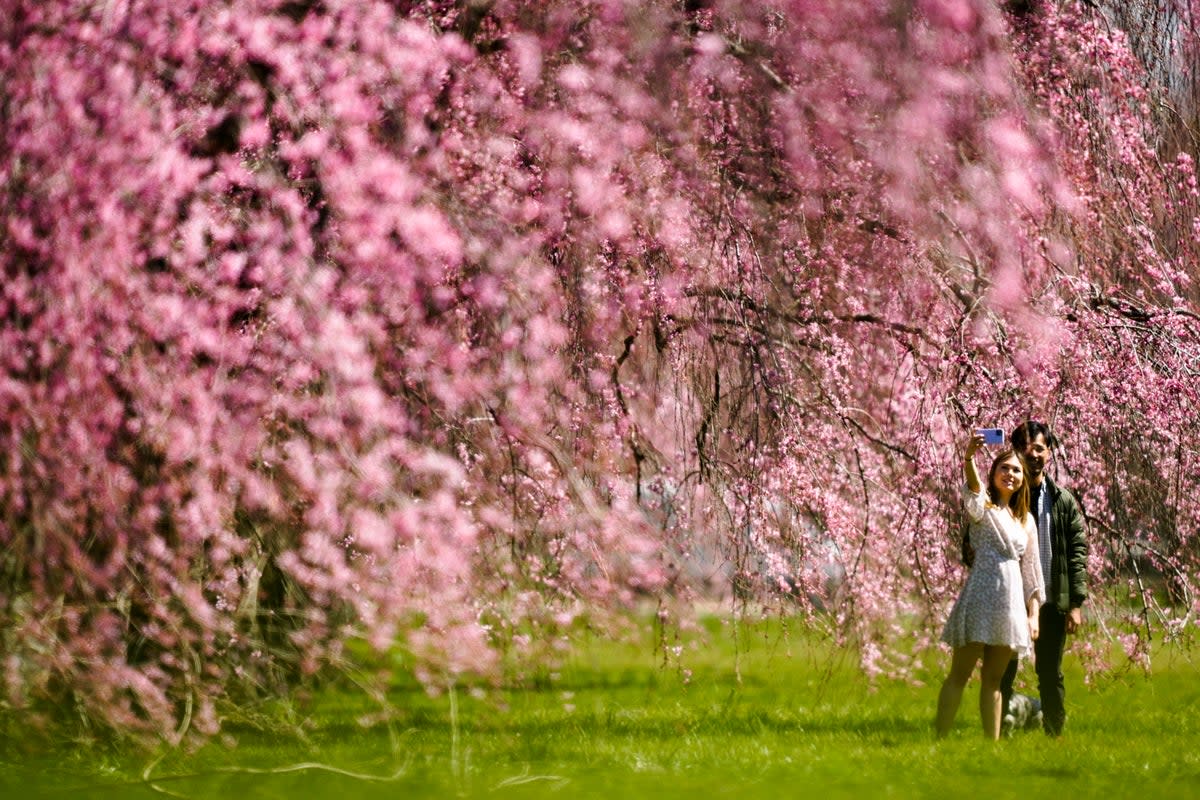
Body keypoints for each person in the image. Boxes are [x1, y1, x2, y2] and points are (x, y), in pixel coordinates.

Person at [936, 433, 1045, 740]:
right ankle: (940, 739)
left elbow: (1031, 572)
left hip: (1009, 606)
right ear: (994, 473)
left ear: (1023, 479)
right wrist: (970, 456)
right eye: (1004, 469)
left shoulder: (1025, 521)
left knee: (994, 680)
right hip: (981, 598)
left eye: (1016, 471)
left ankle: (991, 746)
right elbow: (973, 486)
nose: (1010, 474)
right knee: (959, 674)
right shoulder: (983, 508)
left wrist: (1033, 614)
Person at [997, 420, 1089, 737]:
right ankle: (997, 730)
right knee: (1004, 669)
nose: (1031, 454)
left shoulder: (1062, 501)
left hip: (1051, 598)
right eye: (1024, 447)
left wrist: (1075, 604)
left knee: (1049, 671)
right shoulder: (1003, 498)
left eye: (1038, 448)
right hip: (1011, 599)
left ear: (1048, 453)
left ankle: (1054, 734)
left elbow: (1077, 551)